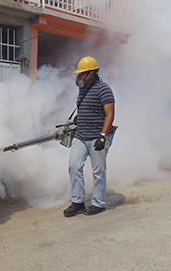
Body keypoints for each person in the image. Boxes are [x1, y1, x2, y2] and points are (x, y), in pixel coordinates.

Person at [63, 56, 115, 217]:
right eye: (80, 74)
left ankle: (98, 203)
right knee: (74, 166)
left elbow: (110, 114)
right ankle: (78, 202)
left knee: (98, 171)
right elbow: (86, 107)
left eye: (83, 74)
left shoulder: (104, 89)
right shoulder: (83, 89)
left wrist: (103, 136)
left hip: (97, 137)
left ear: (92, 74)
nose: (80, 77)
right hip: (81, 135)